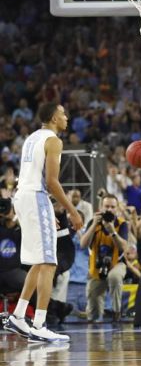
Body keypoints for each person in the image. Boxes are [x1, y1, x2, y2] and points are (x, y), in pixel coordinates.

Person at [2, 103, 83, 342]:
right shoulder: (54, 141)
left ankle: (18, 315)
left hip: (23, 199)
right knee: (49, 262)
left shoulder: (31, 138)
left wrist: (46, 211)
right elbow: (52, 182)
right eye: (63, 114)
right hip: (35, 198)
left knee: (39, 260)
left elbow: (31, 178)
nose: (67, 117)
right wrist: (73, 212)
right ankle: (39, 323)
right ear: (53, 117)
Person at [81, 195, 129, 323]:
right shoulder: (93, 222)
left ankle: (116, 312)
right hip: (97, 265)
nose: (109, 209)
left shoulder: (121, 223)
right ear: (101, 207)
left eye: (112, 207)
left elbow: (124, 247)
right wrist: (93, 226)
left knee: (114, 277)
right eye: (106, 206)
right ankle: (95, 317)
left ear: (117, 208)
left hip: (117, 263)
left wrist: (113, 232)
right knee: (92, 297)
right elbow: (83, 244)